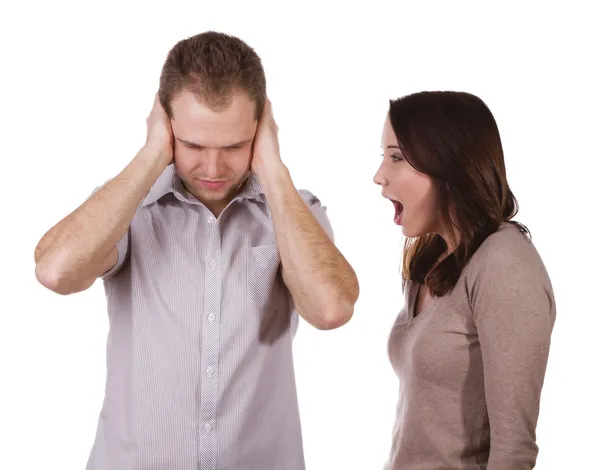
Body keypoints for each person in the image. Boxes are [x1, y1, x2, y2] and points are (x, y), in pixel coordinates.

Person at [34, 31, 359, 470]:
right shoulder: (127, 210)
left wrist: (273, 168)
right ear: (165, 124)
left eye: (234, 147)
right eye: (192, 145)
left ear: (261, 128)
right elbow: (55, 272)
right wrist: (152, 153)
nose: (212, 168)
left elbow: (331, 309)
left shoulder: (295, 213)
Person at [373, 91, 555, 470]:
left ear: (446, 163)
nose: (379, 176)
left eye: (396, 158)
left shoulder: (503, 263)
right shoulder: (431, 259)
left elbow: (513, 452)